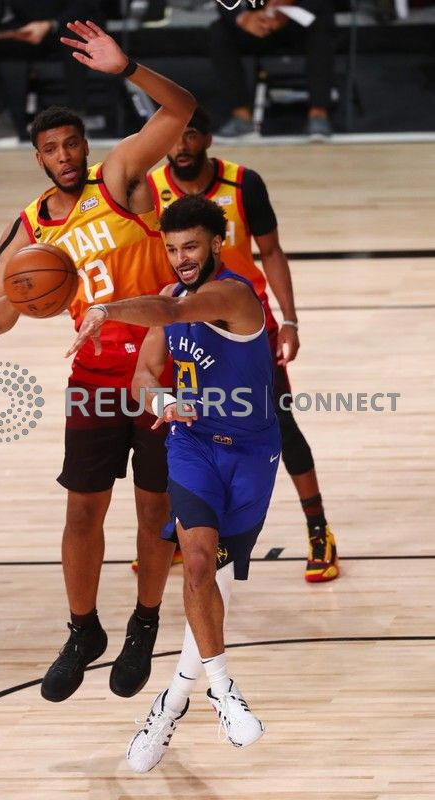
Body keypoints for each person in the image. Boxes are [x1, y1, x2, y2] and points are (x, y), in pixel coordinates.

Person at [0, 20, 196, 703]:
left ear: (85, 145)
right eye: (52, 149)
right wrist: (24, 293)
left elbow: (181, 110)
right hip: (94, 378)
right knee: (82, 513)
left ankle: (144, 622)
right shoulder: (31, 228)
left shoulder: (119, 178)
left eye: (72, 143)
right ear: (38, 158)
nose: (65, 156)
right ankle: (83, 630)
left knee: (153, 511)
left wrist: (127, 67)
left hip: (161, 372)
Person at [68, 194, 280, 769]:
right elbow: (143, 373)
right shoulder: (170, 296)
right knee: (199, 564)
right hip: (192, 446)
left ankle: (168, 706)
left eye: (191, 247)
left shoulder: (234, 295)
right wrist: (161, 400)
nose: (181, 258)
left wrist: (106, 308)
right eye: (172, 248)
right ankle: (224, 691)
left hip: (252, 455)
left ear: (217, 244)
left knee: (216, 587)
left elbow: (172, 312)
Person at [147, 106, 339, 583]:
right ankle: (192, 527)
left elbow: (270, 251)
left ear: (208, 138)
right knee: (176, 420)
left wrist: (289, 319)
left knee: (281, 423)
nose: (181, 146)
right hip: (184, 320)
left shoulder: (243, 183)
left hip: (245, 325)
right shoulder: (151, 187)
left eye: (191, 135)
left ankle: (318, 529)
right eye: (174, 137)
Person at [0, 1, 106, 144]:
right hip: (26, 26)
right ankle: (2, 122)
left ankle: (77, 121)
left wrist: (49, 24)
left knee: (74, 40)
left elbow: (84, 5)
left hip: (68, 23)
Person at [210, 0, 335, 138]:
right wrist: (243, 17)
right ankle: (241, 118)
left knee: (320, 24)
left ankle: (318, 114)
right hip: (255, 20)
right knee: (219, 30)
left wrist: (285, 10)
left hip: (298, 18)